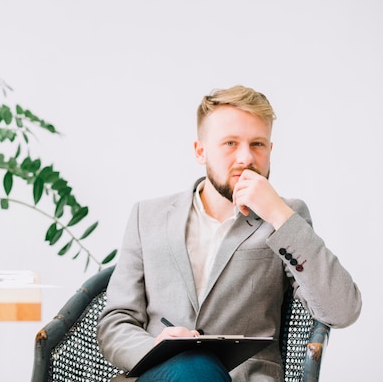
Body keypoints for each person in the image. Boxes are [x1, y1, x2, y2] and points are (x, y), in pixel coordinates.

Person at [97, 85, 362, 382]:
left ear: (270, 151)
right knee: (191, 368)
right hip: (159, 375)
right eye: (230, 143)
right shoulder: (147, 216)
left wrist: (278, 214)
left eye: (258, 144)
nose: (246, 158)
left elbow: (342, 310)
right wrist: (155, 347)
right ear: (201, 151)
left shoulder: (287, 218)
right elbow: (116, 322)